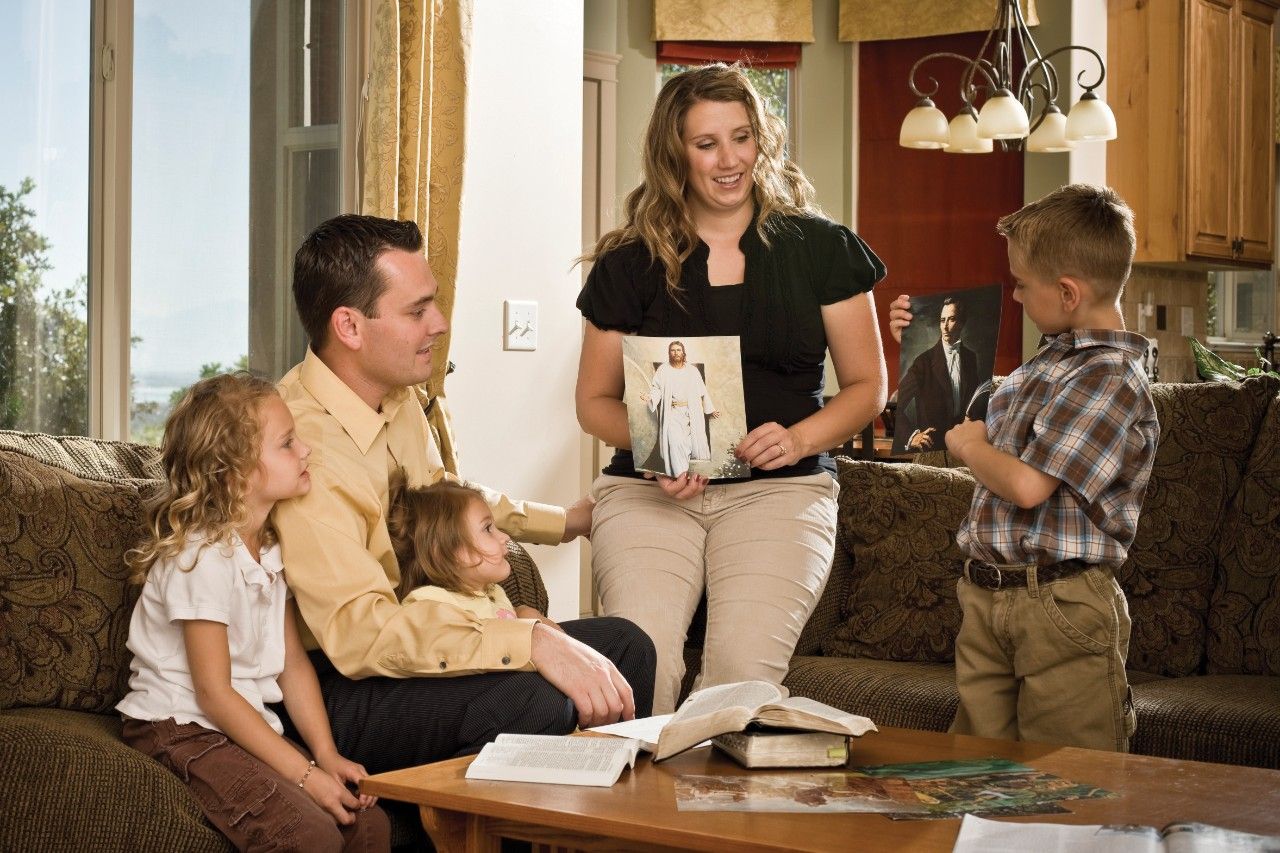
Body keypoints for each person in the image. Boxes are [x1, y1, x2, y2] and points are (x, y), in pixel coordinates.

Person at [272, 214, 655, 773]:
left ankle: (601, 827)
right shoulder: (304, 450)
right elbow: (362, 639)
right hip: (336, 685)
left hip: (423, 638)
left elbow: (448, 499)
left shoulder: (396, 399)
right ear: (350, 327)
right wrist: (531, 643)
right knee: (542, 696)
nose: (440, 323)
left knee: (625, 646)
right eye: (417, 310)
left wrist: (567, 522)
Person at [575, 64, 889, 714]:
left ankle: (713, 815)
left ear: (761, 140)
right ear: (675, 155)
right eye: (707, 143)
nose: (729, 159)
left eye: (741, 137)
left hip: (781, 491)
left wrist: (800, 436)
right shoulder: (628, 263)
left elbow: (866, 388)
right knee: (640, 664)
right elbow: (594, 401)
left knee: (738, 683)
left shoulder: (820, 249)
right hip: (650, 492)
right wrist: (660, 447)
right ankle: (626, 815)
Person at [117, 373, 390, 853]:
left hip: (240, 723)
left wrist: (326, 756)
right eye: (287, 444)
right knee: (307, 836)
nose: (306, 451)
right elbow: (215, 694)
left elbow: (292, 663)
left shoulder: (267, 551)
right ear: (234, 474)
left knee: (369, 826)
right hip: (181, 728)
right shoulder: (200, 557)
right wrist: (305, 774)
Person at [941, 184, 1159, 751]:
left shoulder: (1108, 376)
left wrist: (969, 448)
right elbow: (989, 434)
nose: (1013, 295)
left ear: (1066, 292)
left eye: (1020, 283)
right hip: (988, 596)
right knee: (974, 771)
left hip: (1061, 605)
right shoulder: (1048, 364)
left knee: (1070, 778)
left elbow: (1027, 486)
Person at [386, 474, 558, 627]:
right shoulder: (429, 605)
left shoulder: (494, 594)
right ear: (445, 552)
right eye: (488, 529)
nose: (505, 537)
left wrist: (526, 615)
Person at [896, 297, 979, 452]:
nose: (945, 327)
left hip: (966, 450)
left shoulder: (970, 358)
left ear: (961, 323)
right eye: (942, 320)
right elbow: (897, 405)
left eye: (951, 319)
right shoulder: (923, 362)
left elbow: (974, 399)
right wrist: (911, 436)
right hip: (931, 449)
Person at [641, 340, 721, 477]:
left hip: (691, 413)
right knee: (675, 441)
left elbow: (703, 392)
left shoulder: (692, 371)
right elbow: (657, 389)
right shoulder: (663, 370)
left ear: (683, 352)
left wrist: (710, 409)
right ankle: (680, 477)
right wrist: (651, 398)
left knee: (690, 443)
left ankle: (690, 476)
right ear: (669, 353)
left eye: (678, 350)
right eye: (673, 350)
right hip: (672, 414)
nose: (676, 353)